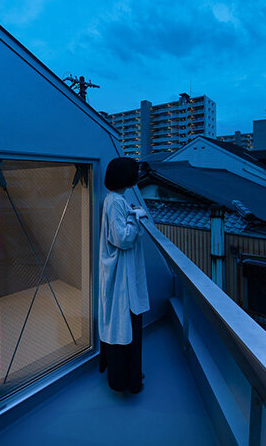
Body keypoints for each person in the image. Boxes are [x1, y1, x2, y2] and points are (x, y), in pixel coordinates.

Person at [98, 157, 150, 393]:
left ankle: (122, 377)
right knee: (128, 327)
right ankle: (127, 380)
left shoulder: (113, 199)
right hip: (122, 278)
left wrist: (131, 213)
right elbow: (123, 238)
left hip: (118, 275)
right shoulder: (117, 202)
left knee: (120, 327)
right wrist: (135, 216)